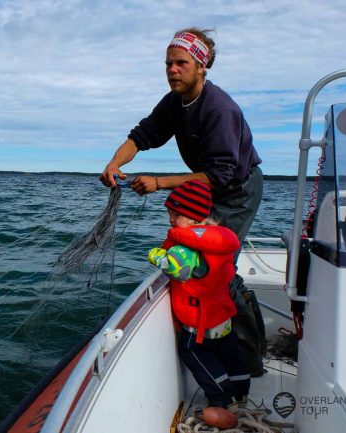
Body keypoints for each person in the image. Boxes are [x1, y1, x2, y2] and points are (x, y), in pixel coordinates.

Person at [100, 27, 266, 375]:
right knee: (193, 261)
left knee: (219, 270)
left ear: (201, 67)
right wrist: (115, 163)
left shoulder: (219, 109)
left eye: (181, 63)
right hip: (209, 186)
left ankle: (251, 359)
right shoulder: (173, 101)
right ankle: (208, 337)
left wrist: (159, 182)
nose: (172, 70)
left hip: (237, 190)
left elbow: (221, 174)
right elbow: (141, 136)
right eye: (168, 64)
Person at [148, 180, 250, 412]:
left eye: (177, 214)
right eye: (169, 213)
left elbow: (174, 267)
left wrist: (155, 255)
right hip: (223, 316)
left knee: (193, 353)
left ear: (195, 218)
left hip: (198, 322)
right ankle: (242, 393)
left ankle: (222, 398)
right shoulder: (221, 238)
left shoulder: (184, 246)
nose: (172, 219)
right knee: (231, 354)